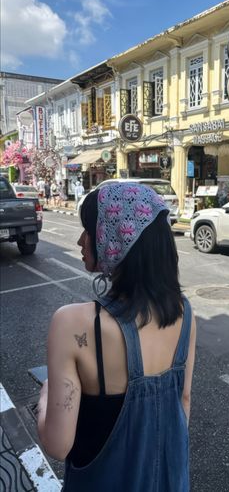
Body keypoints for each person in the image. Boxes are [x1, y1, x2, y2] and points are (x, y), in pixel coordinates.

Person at [37, 182, 196, 492]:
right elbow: (183, 401)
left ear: (118, 240)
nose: (81, 240)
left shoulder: (73, 323)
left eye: (89, 230)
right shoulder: (184, 311)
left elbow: (58, 445)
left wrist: (44, 398)